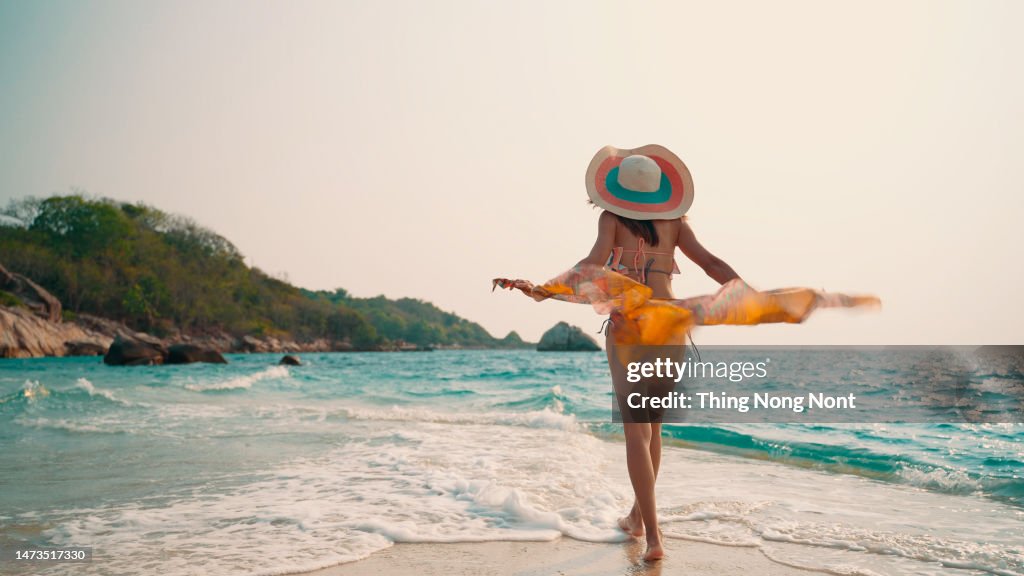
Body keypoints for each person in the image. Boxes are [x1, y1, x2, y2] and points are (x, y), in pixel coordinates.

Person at [575, 145, 740, 562]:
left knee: (637, 430)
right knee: (655, 429)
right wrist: (745, 291)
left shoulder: (610, 220)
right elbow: (711, 263)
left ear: (617, 192)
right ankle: (636, 518)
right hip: (669, 324)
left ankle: (653, 538)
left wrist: (549, 286)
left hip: (630, 325)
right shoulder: (675, 223)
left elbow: (593, 266)